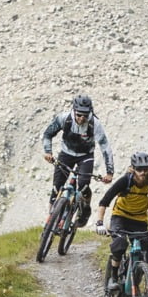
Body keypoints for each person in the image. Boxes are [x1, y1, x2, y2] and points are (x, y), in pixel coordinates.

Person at [97, 151, 148, 287]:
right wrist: (99, 223)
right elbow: (104, 201)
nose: (142, 172)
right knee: (120, 244)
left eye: (146, 169)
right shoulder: (125, 181)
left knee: (147, 257)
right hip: (120, 217)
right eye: (139, 169)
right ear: (133, 169)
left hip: (139, 220)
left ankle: (135, 283)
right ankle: (114, 278)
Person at [40, 94, 114, 225]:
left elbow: (105, 147)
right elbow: (47, 134)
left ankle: (85, 210)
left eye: (85, 115)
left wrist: (109, 172)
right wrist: (47, 152)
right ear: (74, 111)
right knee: (56, 187)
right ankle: (50, 223)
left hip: (85, 156)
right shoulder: (64, 118)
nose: (82, 118)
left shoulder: (95, 124)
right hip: (66, 154)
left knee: (84, 186)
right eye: (79, 115)